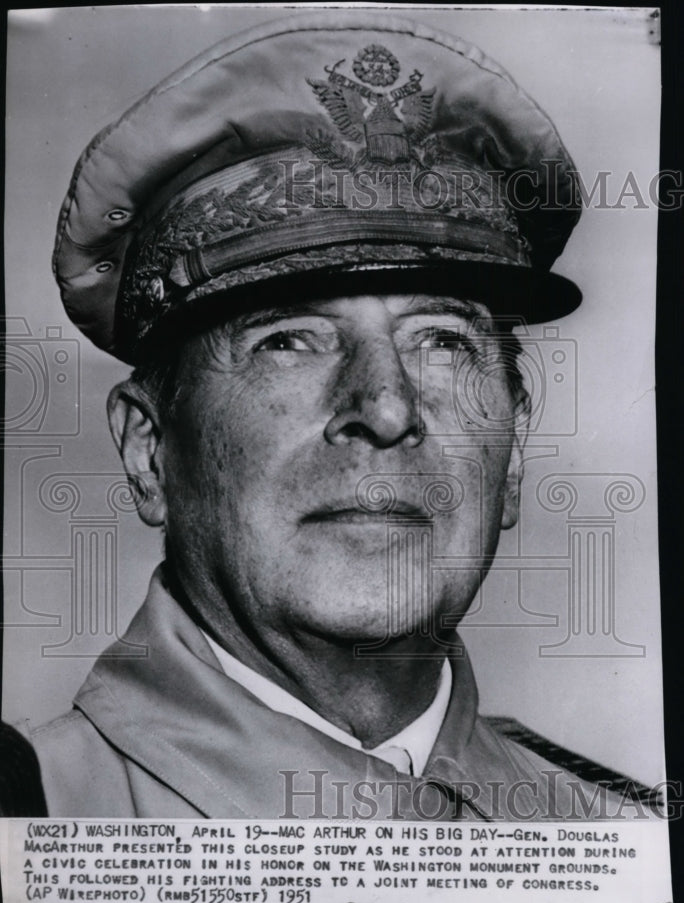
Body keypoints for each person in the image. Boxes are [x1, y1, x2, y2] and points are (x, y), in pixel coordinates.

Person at [5, 12, 653, 820]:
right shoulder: (29, 816)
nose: (385, 408)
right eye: (289, 340)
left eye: (443, 341)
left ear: (514, 449)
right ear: (151, 452)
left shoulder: (626, 841)